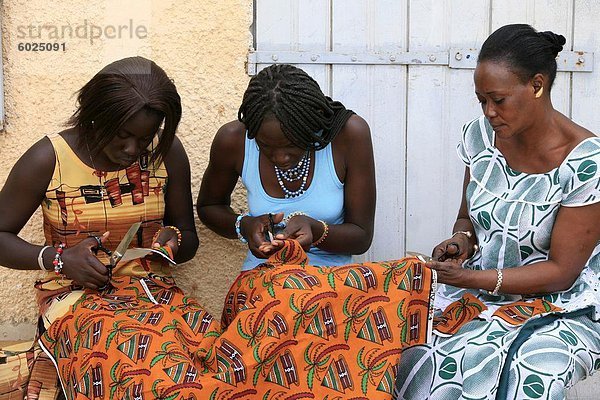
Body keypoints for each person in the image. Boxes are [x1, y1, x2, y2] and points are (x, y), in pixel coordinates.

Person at [395, 24, 600, 400]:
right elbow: (467, 219)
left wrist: (470, 280)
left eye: (498, 99)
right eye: (481, 100)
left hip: (564, 305)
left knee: (529, 374)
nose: (489, 112)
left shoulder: (585, 163)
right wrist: (460, 241)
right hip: (481, 290)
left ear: (537, 86)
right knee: (411, 352)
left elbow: (561, 273)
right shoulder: (481, 137)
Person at [0, 56, 218, 399]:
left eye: (145, 138)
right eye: (122, 135)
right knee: (132, 360)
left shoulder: (168, 153)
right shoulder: (49, 158)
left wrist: (172, 242)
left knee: (213, 352)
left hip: (153, 293)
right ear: (95, 115)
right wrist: (58, 259)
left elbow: (187, 237)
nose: (133, 150)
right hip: (74, 299)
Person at [197, 63, 376, 270]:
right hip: (263, 277)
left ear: (312, 126)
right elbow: (209, 207)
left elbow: (361, 237)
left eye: (292, 144)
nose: (280, 158)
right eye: (265, 146)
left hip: (329, 281)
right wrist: (244, 226)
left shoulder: (349, 135)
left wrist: (316, 231)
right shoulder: (233, 140)